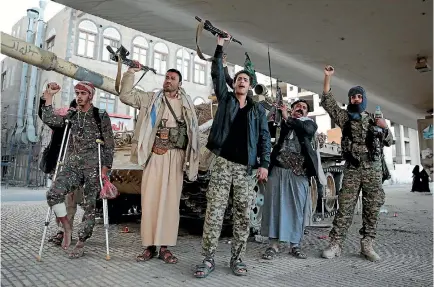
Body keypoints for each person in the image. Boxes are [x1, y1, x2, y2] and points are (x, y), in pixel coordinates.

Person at [193, 33, 271, 278]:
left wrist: (264, 164)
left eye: (245, 79)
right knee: (214, 213)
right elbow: (217, 74)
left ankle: (237, 259)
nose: (241, 82)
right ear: (234, 83)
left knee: (242, 215)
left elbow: (264, 139)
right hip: (223, 164)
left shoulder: (257, 110)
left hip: (246, 169)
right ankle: (207, 259)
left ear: (249, 86)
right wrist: (219, 47)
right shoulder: (225, 100)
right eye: (238, 79)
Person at [118, 63, 200, 264]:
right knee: (150, 200)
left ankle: (164, 247)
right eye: (166, 77)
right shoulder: (151, 98)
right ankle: (149, 246)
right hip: (154, 155)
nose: (168, 80)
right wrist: (130, 73)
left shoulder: (187, 104)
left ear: (180, 83)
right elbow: (125, 96)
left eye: (172, 78)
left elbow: (193, 132)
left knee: (170, 204)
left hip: (176, 156)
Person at [320, 65, 393, 262]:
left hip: (373, 169)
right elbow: (328, 102)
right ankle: (335, 244)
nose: (356, 99)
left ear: (364, 99)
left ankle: (367, 244)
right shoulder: (344, 118)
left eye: (359, 97)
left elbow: (389, 141)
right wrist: (328, 77)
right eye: (353, 97)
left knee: (372, 208)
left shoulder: (374, 120)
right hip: (352, 169)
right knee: (344, 207)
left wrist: (384, 127)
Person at [40, 81, 114, 258]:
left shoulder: (100, 115)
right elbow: (50, 119)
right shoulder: (71, 115)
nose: (79, 96)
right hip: (72, 166)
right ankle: (66, 225)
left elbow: (109, 145)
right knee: (53, 193)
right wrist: (49, 96)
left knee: (90, 206)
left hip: (92, 168)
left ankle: (81, 241)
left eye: (83, 93)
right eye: (77, 93)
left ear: (90, 95)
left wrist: (105, 169)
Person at [261, 99, 318, 260]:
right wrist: (274, 111)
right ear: (291, 109)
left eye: (304, 108)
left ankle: (295, 245)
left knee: (297, 208)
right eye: (297, 106)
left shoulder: (309, 124)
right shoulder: (282, 122)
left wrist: (288, 117)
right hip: (278, 169)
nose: (301, 109)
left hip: (298, 172)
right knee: (274, 206)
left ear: (307, 113)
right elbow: (266, 131)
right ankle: (273, 245)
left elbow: (305, 130)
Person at [38, 97, 83, 246]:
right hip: (61, 165)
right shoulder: (65, 122)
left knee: (70, 201)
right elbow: (47, 118)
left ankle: (66, 231)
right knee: (59, 200)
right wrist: (46, 99)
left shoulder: (87, 124)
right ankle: (62, 230)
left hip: (77, 169)